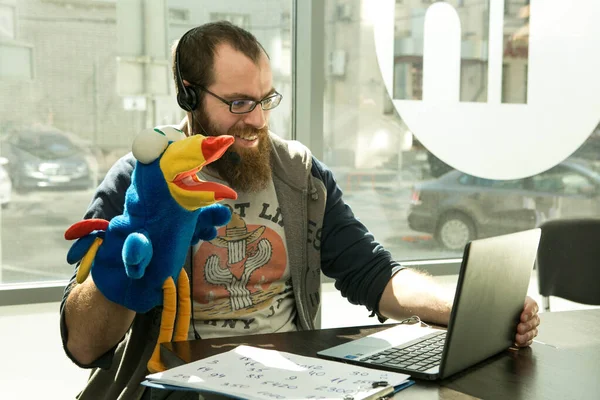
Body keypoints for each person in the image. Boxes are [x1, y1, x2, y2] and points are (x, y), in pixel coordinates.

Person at [60, 21, 540, 400]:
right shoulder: (142, 181)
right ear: (189, 95)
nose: (258, 121)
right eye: (239, 102)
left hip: (291, 383)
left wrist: (464, 312)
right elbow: (83, 345)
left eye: (266, 99)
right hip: (175, 386)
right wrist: (126, 273)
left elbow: (374, 273)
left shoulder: (300, 175)